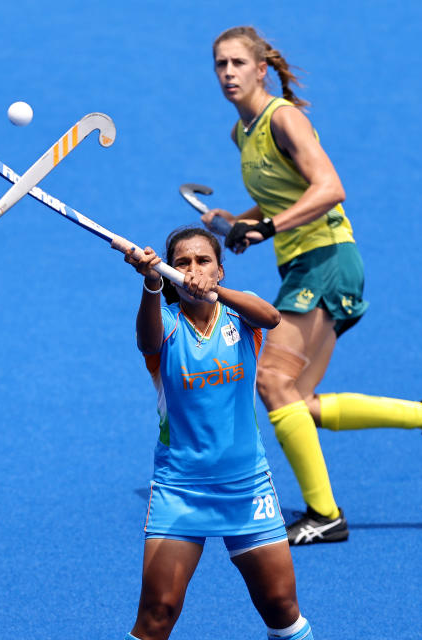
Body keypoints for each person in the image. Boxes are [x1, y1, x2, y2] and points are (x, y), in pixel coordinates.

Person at [201, 25, 422, 545]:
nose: (228, 73)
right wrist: (236, 220)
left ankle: (324, 515)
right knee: (297, 402)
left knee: (270, 379)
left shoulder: (284, 119)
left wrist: (268, 228)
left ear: (262, 69)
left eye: (237, 63)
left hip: (325, 259)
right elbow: (284, 196)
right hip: (303, 264)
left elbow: (329, 188)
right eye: (220, 64)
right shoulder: (242, 133)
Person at [121, 227, 313, 640]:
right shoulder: (167, 326)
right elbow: (146, 338)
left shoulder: (242, 321)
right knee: (158, 612)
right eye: (182, 263)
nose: (193, 269)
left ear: (220, 270)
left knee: (281, 607)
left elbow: (272, 316)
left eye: (203, 261)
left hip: (247, 488)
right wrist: (152, 284)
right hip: (182, 491)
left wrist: (214, 293)